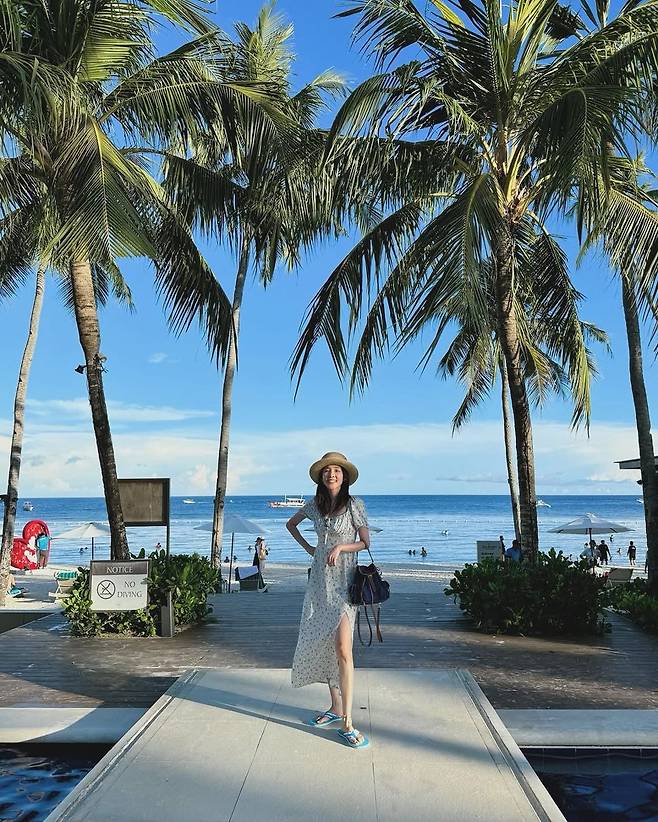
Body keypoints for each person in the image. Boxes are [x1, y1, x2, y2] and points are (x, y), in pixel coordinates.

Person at [286, 451, 370, 750]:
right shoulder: (315, 505)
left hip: (345, 584)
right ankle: (335, 706)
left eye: (336, 470)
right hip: (319, 584)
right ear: (321, 477)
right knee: (325, 643)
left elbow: (365, 542)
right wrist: (312, 549)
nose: (331, 474)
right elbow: (290, 525)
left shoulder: (355, 505)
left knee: (344, 649)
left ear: (344, 476)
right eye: (326, 471)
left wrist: (341, 547)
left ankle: (348, 721)